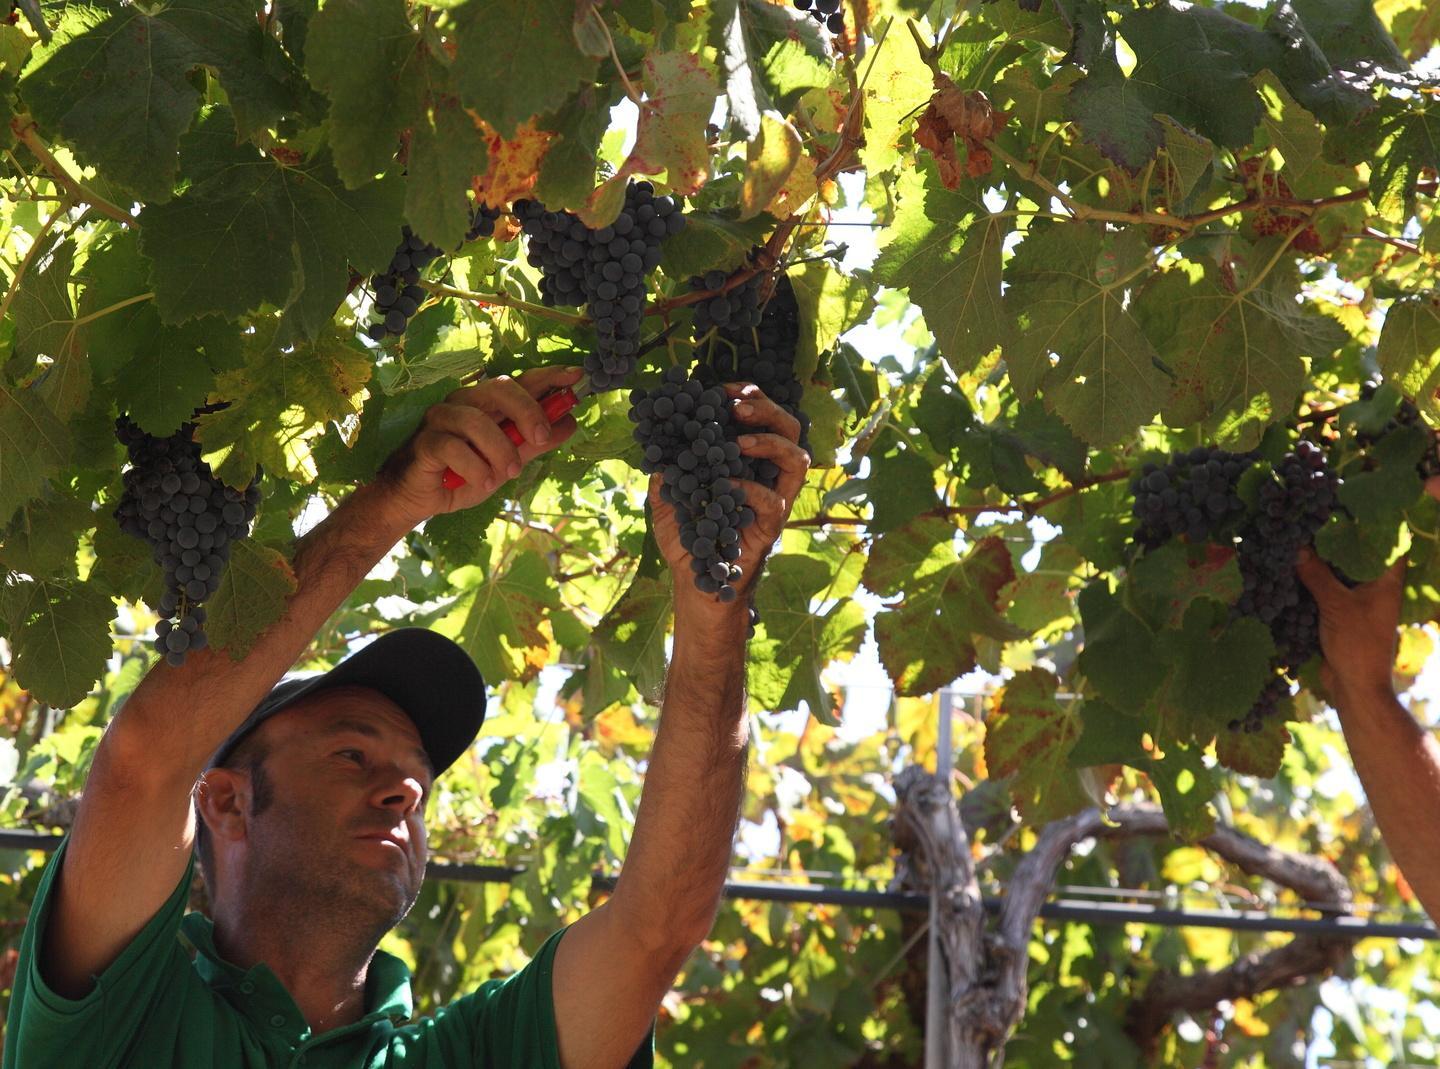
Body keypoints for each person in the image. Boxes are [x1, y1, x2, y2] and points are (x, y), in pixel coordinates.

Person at [3, 365, 811, 1069]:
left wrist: (716, 603)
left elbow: (659, 923)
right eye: (352, 756)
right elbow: (146, 760)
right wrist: (395, 500)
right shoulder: (123, 1014)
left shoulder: (471, 1053)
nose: (406, 794)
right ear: (225, 801)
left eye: (418, 778)